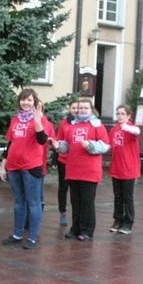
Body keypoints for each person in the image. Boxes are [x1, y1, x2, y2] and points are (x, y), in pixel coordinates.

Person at [0, 89, 51, 250]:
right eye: (23, 100)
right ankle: (17, 234)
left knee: (33, 202)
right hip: (13, 166)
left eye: (29, 100)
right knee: (19, 201)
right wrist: (3, 165)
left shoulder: (40, 119)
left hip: (31, 166)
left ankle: (32, 237)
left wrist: (37, 121)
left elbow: (42, 140)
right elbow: (10, 143)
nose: (26, 103)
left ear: (34, 102)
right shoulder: (15, 119)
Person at [54, 97, 109, 241]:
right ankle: (75, 228)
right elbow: (66, 146)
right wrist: (58, 146)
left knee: (87, 201)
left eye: (85, 108)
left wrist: (90, 145)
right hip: (73, 169)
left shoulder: (97, 125)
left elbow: (105, 146)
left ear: (91, 110)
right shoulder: (72, 126)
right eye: (80, 108)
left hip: (90, 171)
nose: (82, 110)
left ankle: (87, 230)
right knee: (75, 201)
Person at [109, 104, 141, 235]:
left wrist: (127, 127)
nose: (120, 116)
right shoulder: (114, 130)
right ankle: (117, 220)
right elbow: (108, 145)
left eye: (123, 114)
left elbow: (137, 131)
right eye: (118, 113)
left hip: (129, 169)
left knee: (127, 197)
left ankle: (128, 223)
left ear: (128, 115)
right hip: (116, 168)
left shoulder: (131, 128)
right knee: (117, 197)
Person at [56, 99, 78, 227]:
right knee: (63, 188)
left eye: (77, 108)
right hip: (64, 160)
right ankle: (62, 213)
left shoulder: (83, 123)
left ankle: (76, 213)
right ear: (69, 109)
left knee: (75, 189)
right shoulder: (63, 123)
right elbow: (58, 141)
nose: (75, 110)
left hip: (77, 161)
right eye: (73, 108)